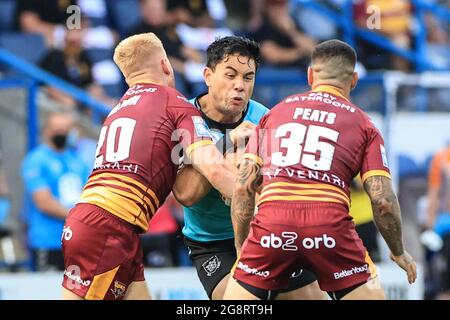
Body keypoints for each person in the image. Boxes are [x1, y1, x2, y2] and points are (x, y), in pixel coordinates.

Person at [224, 39, 417, 300]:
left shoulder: (276, 113)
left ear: (310, 75)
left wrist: (242, 247)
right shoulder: (364, 125)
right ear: (354, 80)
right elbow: (382, 199)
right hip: (330, 230)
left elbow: (243, 186)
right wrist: (398, 250)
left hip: (273, 226)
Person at [61, 32, 235, 300]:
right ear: (166, 65)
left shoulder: (117, 109)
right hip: (111, 228)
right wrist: (270, 210)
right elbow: (215, 170)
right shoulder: (174, 103)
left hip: (94, 222)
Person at [172, 36, 324, 300]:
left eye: (248, 77)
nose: (239, 86)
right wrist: (228, 142)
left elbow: (281, 187)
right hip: (213, 242)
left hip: (265, 233)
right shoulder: (183, 117)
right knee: (241, 302)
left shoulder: (266, 119)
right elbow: (185, 194)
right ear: (208, 76)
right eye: (230, 75)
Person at [22, 112, 89, 271]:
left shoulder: (77, 160)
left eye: (65, 129)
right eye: (56, 129)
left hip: (77, 241)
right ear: (46, 131)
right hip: (48, 241)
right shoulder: (37, 159)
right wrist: (80, 217)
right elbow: (44, 202)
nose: (61, 133)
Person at [426, 142, 450, 299]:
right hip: (445, 226)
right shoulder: (441, 158)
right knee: (444, 280)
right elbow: (433, 195)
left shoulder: (441, 158)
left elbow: (434, 195)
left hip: (444, 225)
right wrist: (430, 224)